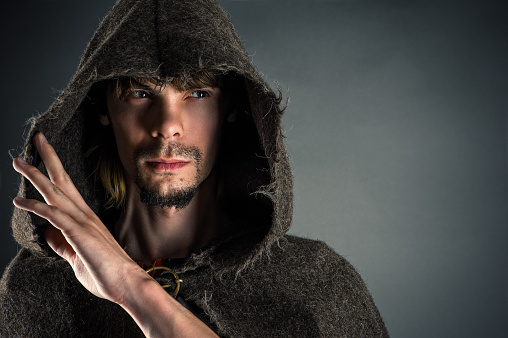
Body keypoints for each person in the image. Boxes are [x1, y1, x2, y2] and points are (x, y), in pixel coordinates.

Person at [0, 0, 388, 336]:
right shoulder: (35, 289)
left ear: (231, 109)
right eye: (140, 93)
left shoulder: (316, 286)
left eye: (197, 93)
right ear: (103, 109)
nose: (168, 124)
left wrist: (133, 289)